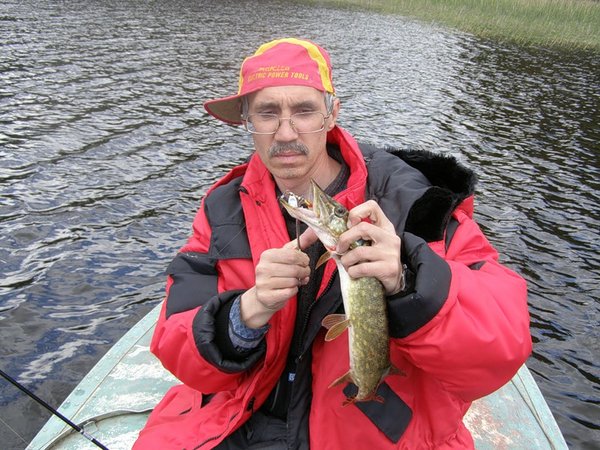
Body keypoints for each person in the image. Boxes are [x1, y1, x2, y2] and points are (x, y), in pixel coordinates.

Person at [134, 38, 532, 449]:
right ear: (247, 121)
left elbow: (500, 349)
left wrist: (409, 282)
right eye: (267, 113)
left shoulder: (418, 203)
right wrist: (245, 313)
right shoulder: (223, 207)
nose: (285, 132)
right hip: (240, 416)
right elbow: (176, 344)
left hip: (365, 433)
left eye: (304, 111)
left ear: (331, 114)